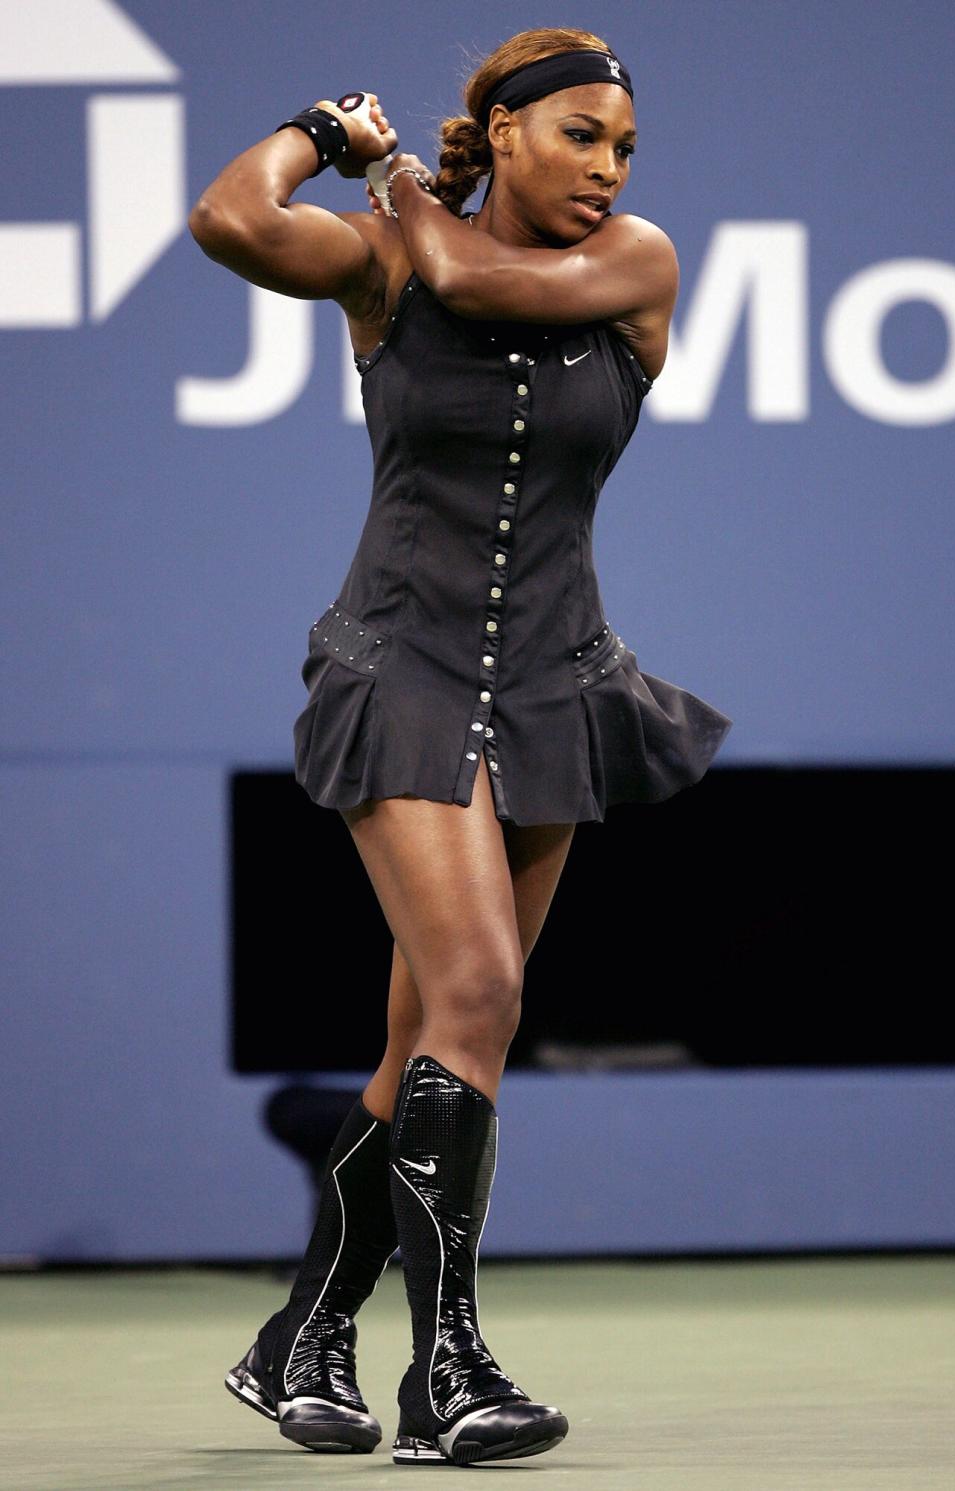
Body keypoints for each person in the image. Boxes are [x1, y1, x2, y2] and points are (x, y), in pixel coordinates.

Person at [191, 25, 732, 1468]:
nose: (609, 169)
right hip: (406, 668)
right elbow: (230, 218)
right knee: (478, 990)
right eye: (580, 138)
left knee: (423, 1042)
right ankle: (449, 1372)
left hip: (558, 683)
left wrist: (406, 199)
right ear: (503, 132)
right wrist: (324, 130)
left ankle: (298, 1335)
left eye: (624, 146)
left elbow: (481, 278)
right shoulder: (377, 274)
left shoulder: (636, 268)